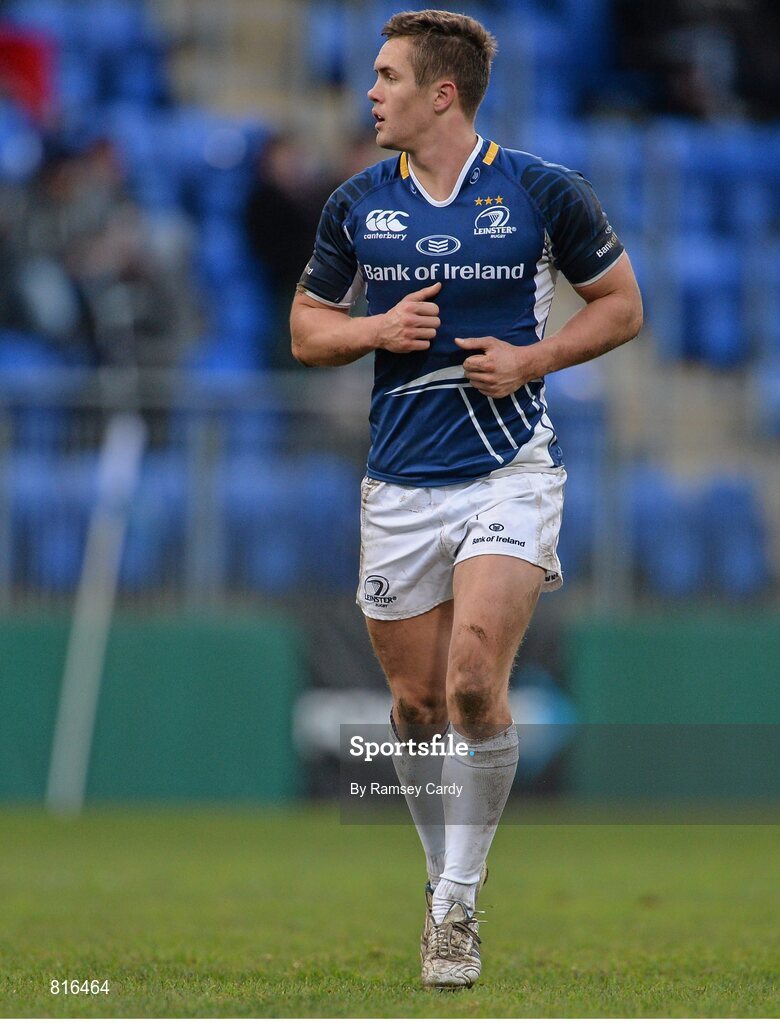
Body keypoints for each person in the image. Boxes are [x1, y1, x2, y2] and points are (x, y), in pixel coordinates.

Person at [290, 8, 642, 990]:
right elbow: (307, 329)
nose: (371, 93)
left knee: (476, 679)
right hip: (399, 485)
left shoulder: (542, 191)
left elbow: (624, 306)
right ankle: (440, 879)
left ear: (441, 93)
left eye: (388, 77)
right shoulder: (358, 203)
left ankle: (456, 907)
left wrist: (535, 358)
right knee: (413, 707)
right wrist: (374, 330)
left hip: (510, 469)